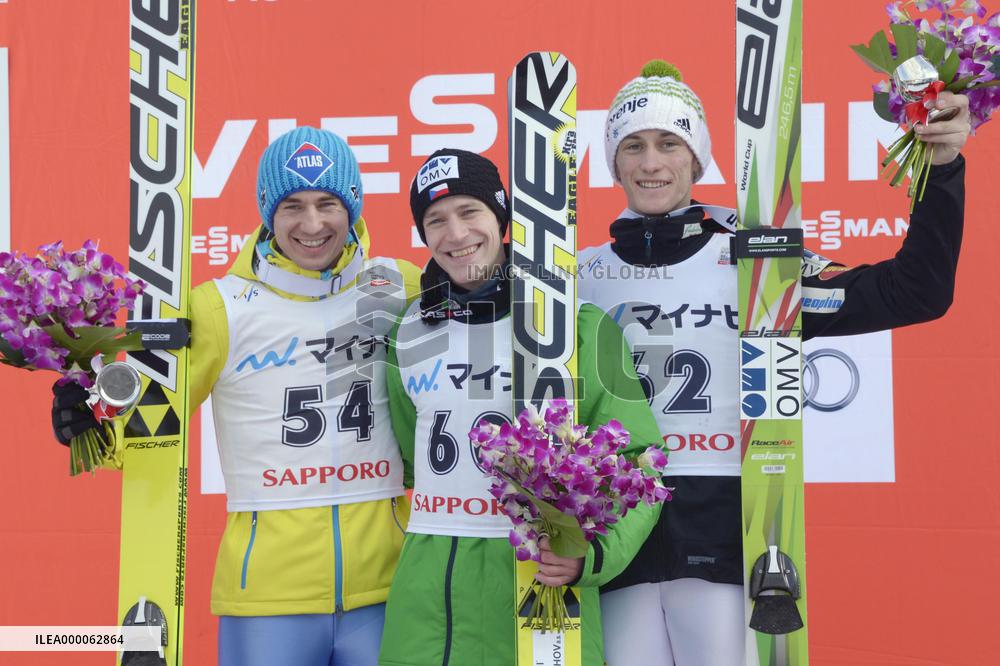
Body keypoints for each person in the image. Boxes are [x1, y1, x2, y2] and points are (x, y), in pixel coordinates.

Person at [579, 60, 972, 666]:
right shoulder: (578, 277)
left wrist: (940, 169)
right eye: (632, 146)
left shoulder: (760, 263)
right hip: (615, 538)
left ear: (697, 158)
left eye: (669, 143)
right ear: (613, 162)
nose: (650, 162)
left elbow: (915, 291)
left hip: (726, 538)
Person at [51, 127, 422, 666]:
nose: (312, 224)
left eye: (328, 203)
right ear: (267, 211)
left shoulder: (399, 285)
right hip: (267, 597)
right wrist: (92, 421)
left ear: (354, 206)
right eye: (292, 205)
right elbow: (153, 427)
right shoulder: (219, 307)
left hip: (389, 588)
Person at [377, 149, 663, 666]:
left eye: (470, 212)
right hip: (427, 596)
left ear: (503, 219)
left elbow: (640, 460)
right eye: (435, 221)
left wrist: (590, 554)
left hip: (538, 579)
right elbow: (412, 457)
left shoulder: (580, 326)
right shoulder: (408, 330)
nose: (456, 235)